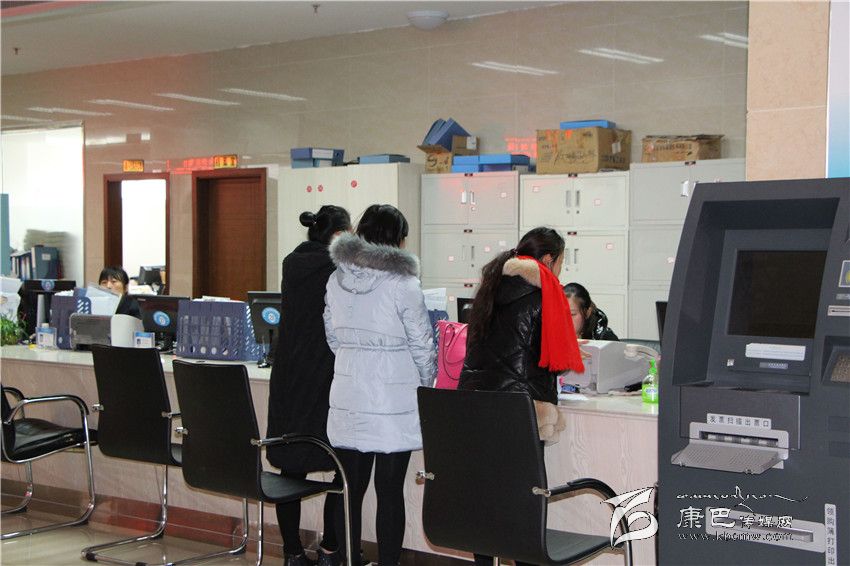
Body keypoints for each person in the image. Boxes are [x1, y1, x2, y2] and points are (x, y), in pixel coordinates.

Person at [457, 227, 585, 566]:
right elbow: (555, 361)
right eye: (561, 262)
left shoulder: (491, 288)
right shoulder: (545, 295)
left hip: (475, 408)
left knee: (485, 500)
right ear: (548, 260)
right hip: (519, 411)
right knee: (524, 502)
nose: (560, 271)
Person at [324, 204, 436, 566]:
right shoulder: (404, 283)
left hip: (348, 393)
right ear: (397, 240)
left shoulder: (336, 278)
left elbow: (332, 336)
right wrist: (425, 384)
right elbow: (422, 343)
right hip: (393, 398)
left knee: (349, 489)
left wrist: (355, 360)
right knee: (389, 491)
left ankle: (349, 561)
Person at [267, 205, 352, 566]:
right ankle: (331, 549)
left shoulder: (292, 263)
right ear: (339, 235)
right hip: (324, 375)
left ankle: (292, 552)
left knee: (290, 468)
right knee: (343, 466)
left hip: (288, 376)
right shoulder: (337, 267)